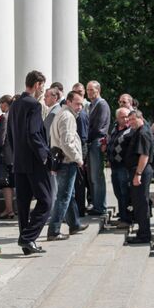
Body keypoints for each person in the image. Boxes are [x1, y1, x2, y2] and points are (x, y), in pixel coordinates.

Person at [8, 70, 52, 255]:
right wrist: (44, 156)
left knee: (24, 203)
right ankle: (27, 238)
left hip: (19, 161)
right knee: (46, 201)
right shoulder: (33, 105)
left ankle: (28, 243)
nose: (42, 89)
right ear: (38, 85)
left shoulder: (15, 104)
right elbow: (34, 133)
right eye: (42, 85)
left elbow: (10, 135)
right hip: (34, 161)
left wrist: (15, 155)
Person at [47, 91, 89, 240]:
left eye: (81, 104)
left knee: (68, 195)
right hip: (67, 161)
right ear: (69, 102)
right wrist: (78, 159)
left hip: (63, 161)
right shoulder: (68, 116)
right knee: (64, 197)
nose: (80, 107)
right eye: (77, 104)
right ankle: (54, 230)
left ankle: (74, 224)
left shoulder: (62, 113)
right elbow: (67, 143)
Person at [124, 110, 154, 244]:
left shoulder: (143, 133)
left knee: (141, 203)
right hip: (138, 171)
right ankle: (143, 232)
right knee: (138, 202)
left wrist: (138, 174)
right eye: (128, 120)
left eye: (132, 120)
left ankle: (144, 235)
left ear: (140, 118)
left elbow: (144, 156)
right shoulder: (140, 131)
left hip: (140, 171)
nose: (129, 123)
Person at [86, 80, 111, 215]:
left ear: (98, 90)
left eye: (92, 90)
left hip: (96, 141)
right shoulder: (92, 105)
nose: (89, 92)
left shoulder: (102, 105)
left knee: (97, 176)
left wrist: (85, 137)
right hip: (92, 142)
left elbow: (98, 127)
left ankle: (100, 206)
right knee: (92, 176)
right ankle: (96, 204)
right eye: (88, 90)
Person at [106, 108, 132, 228]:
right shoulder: (114, 129)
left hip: (124, 167)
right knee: (118, 192)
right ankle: (122, 216)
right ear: (117, 118)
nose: (126, 119)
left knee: (124, 192)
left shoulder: (130, 130)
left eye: (127, 116)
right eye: (123, 117)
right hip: (114, 166)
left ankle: (127, 219)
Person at [0, 95, 15, 219]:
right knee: (11, 183)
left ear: (6, 104)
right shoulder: (16, 115)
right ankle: (10, 208)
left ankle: (9, 209)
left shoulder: (6, 117)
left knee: (6, 184)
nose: (0, 106)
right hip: (14, 154)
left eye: (1, 104)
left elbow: (2, 137)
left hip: (6, 154)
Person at [71, 83, 90, 217]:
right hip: (78, 150)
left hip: (80, 150)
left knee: (79, 183)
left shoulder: (81, 115)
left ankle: (79, 210)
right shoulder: (77, 114)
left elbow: (82, 137)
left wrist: (81, 157)